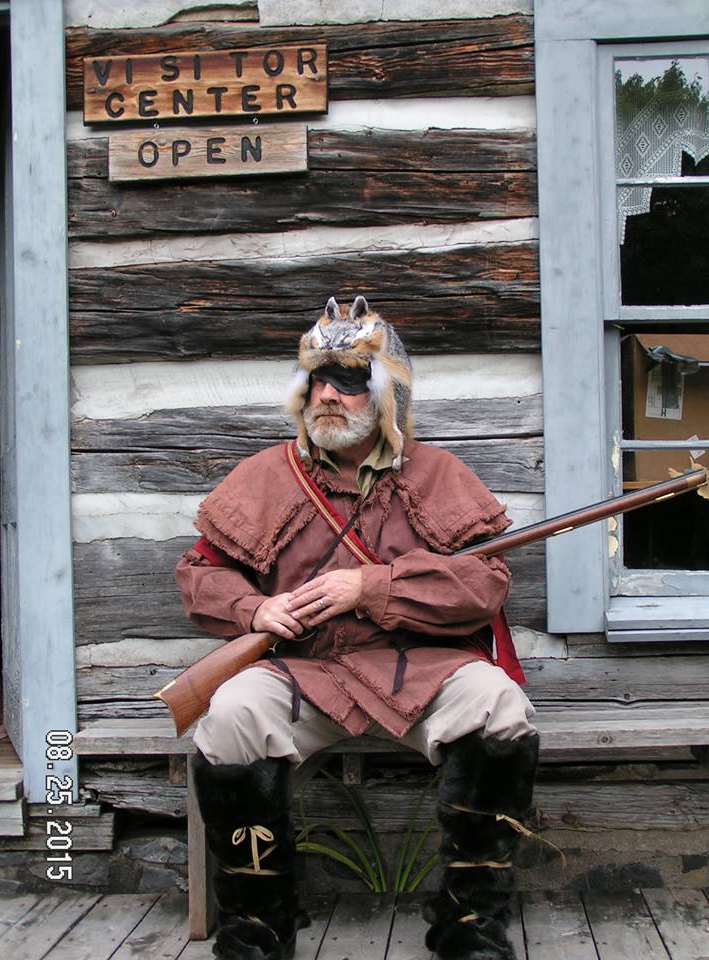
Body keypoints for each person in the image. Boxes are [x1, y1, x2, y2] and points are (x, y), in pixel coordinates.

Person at [175, 295, 538, 960]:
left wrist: (368, 586)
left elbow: (484, 586)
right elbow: (199, 576)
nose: (328, 396)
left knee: (499, 706)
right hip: (304, 671)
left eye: (348, 381)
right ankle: (258, 920)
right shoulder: (264, 476)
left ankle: (469, 922)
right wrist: (253, 610)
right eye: (318, 380)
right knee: (229, 716)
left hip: (417, 668)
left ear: (386, 394)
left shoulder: (438, 475)